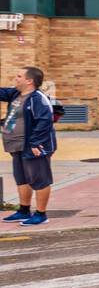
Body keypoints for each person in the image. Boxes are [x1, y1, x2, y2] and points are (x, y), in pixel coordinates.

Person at [1, 66, 58, 226]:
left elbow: (45, 121)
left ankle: (41, 214)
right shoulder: (15, 94)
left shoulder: (38, 98)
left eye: (19, 76)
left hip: (34, 146)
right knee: (22, 179)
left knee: (39, 180)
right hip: (16, 145)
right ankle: (24, 210)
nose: (15, 78)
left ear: (29, 80)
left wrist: (35, 143)